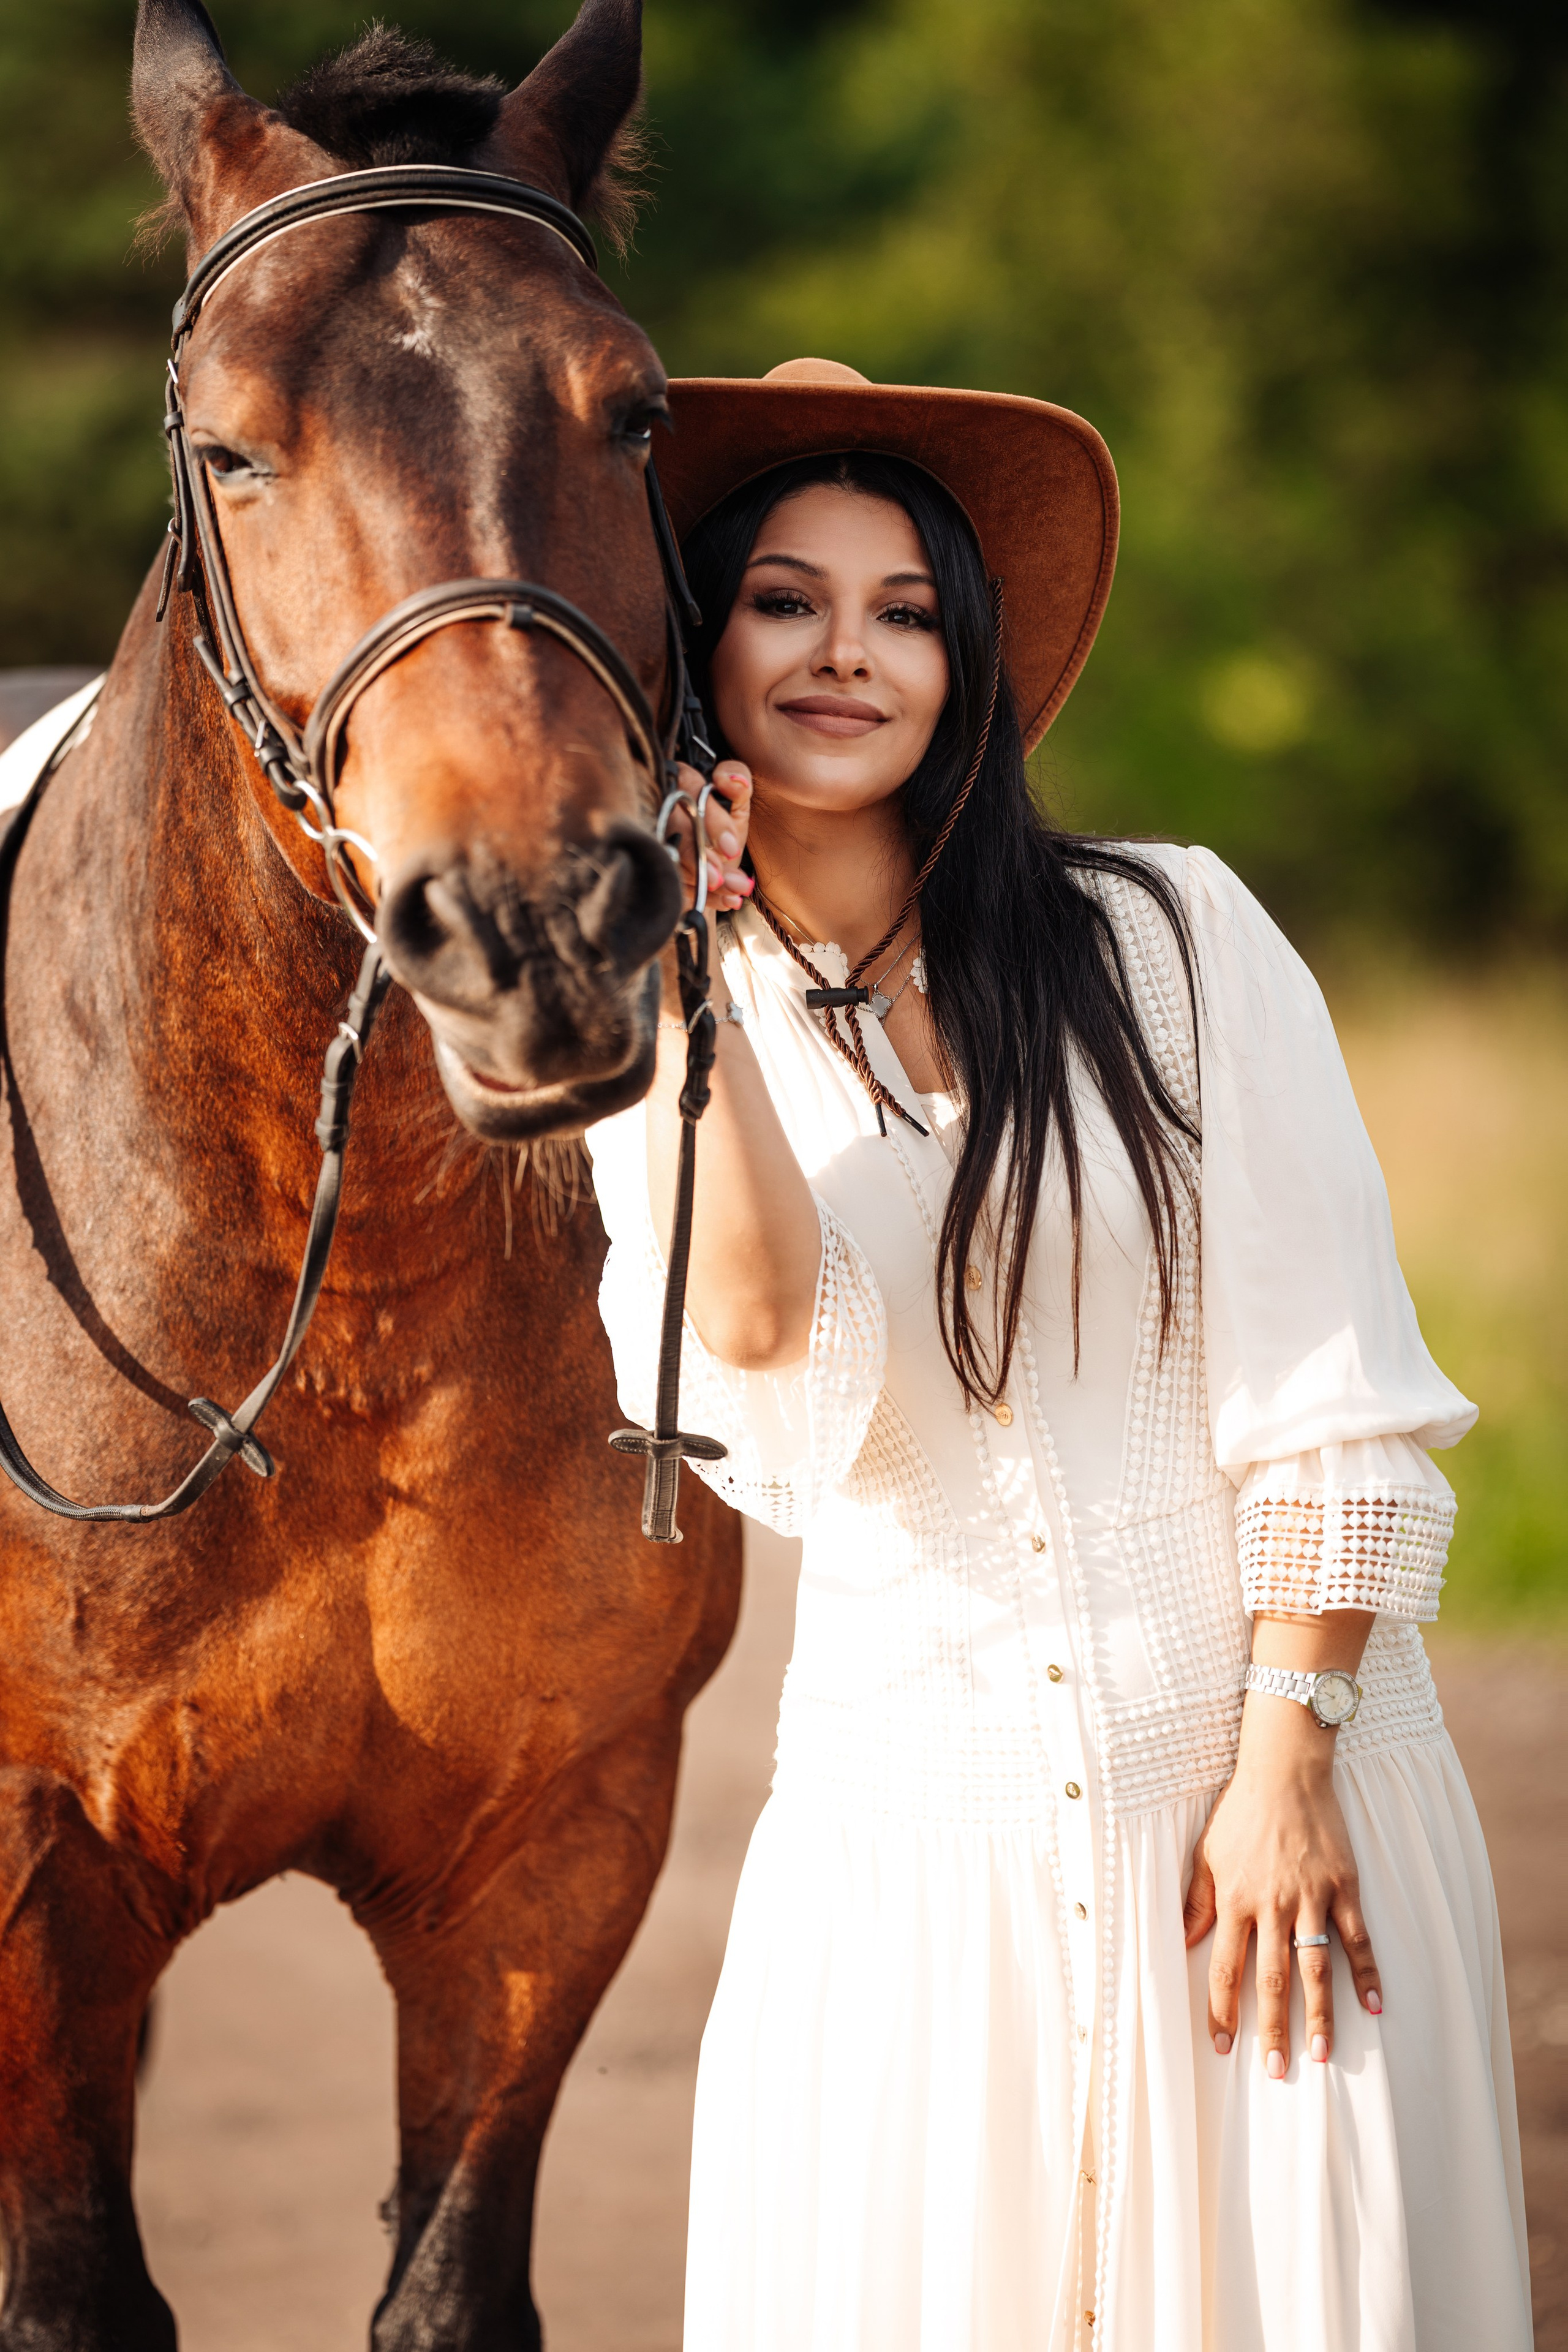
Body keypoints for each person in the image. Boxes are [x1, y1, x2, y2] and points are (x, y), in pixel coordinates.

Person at [584, 359, 1531, 2351]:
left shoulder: (1171, 937)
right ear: (692, 644)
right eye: (782, 599)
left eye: (905, 610)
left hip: (1273, 1810)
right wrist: (677, 973)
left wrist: (1288, 1765)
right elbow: (766, 1354)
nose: (849, 653)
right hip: (921, 1872)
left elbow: (1330, 1385)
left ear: (967, 657)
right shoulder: (659, 1039)